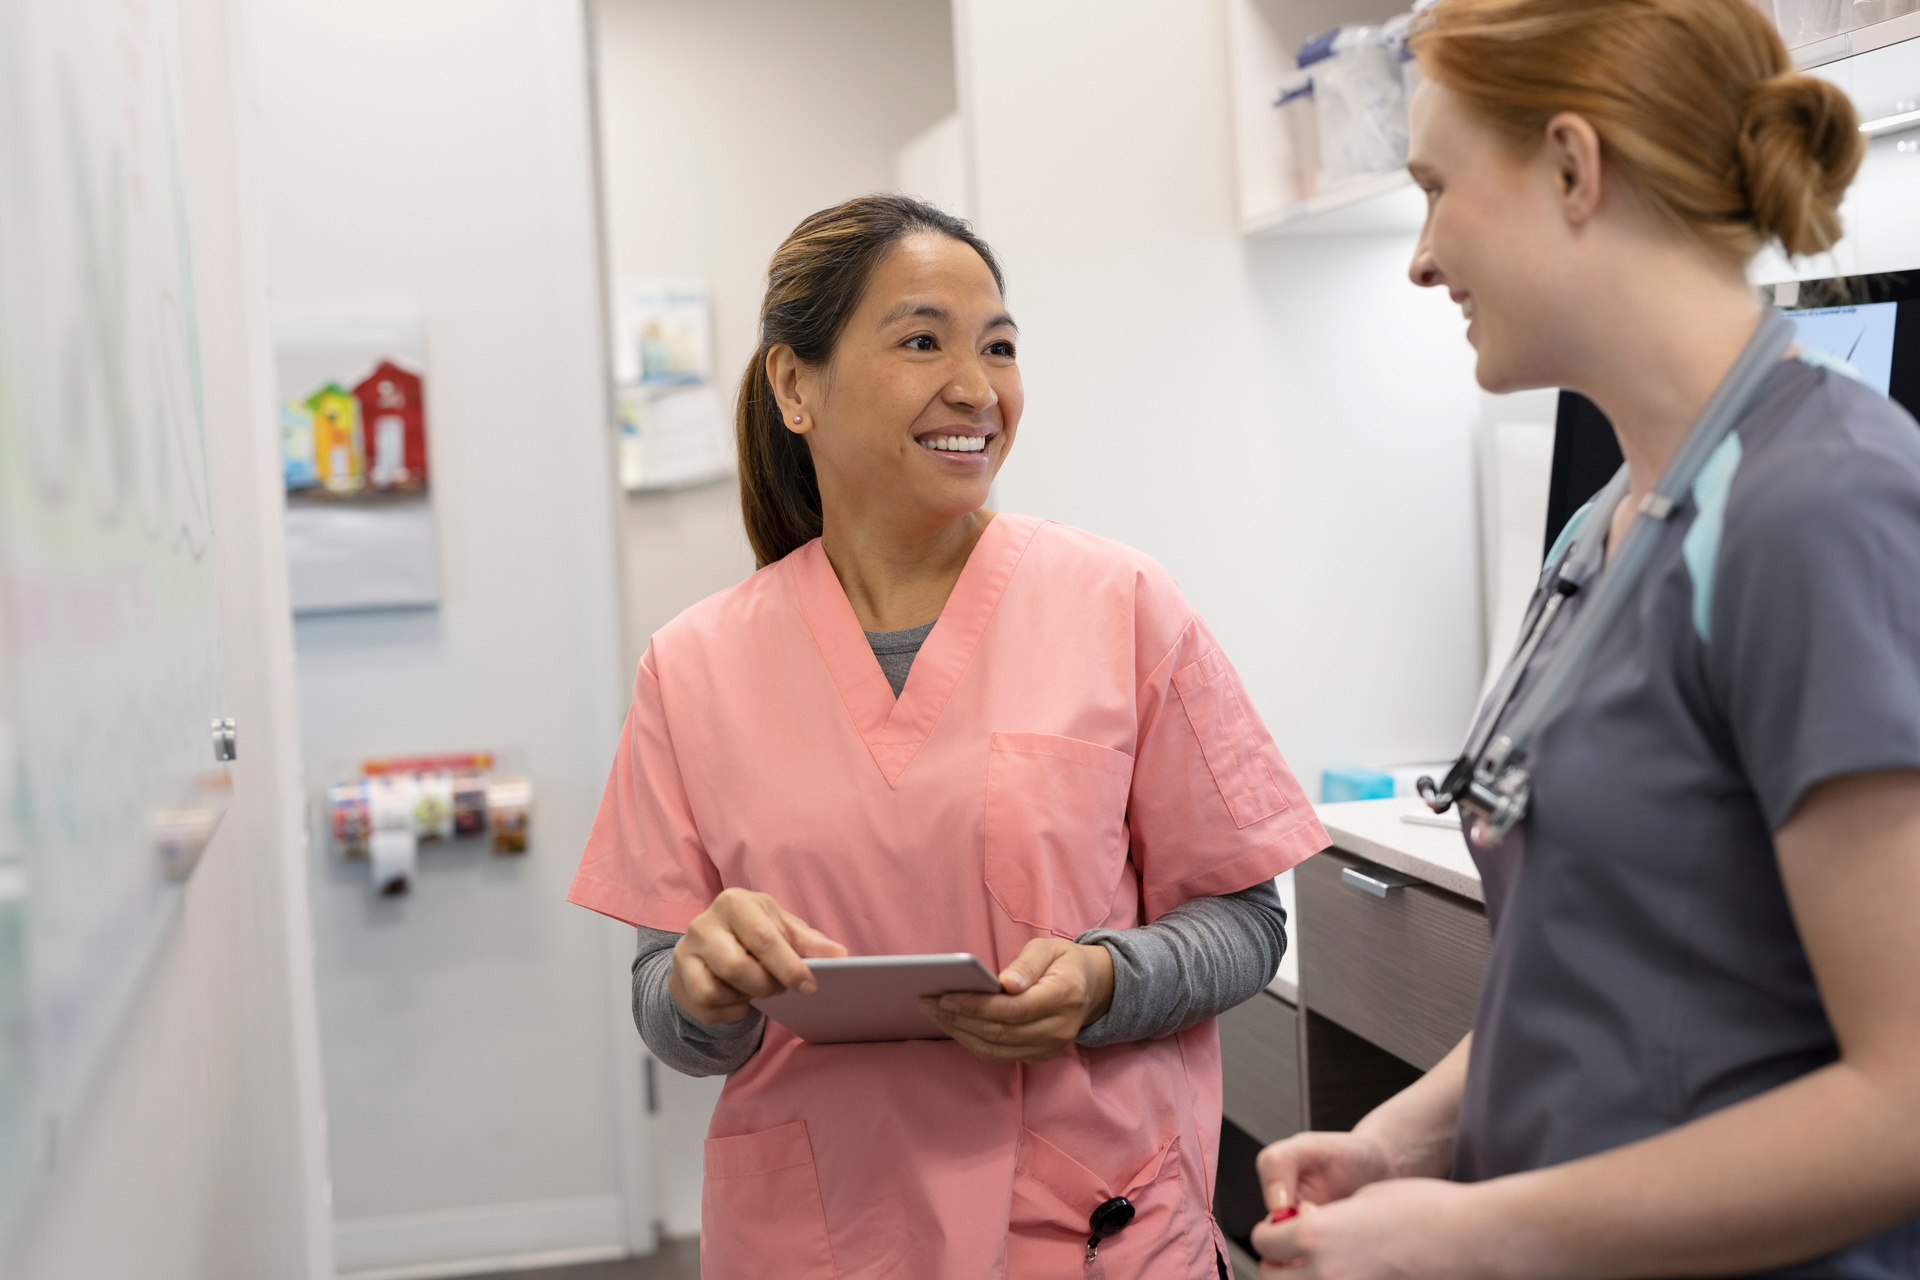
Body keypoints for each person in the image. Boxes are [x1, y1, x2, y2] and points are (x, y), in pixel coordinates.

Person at [1251, 0, 1920, 1275]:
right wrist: (1402, 1143)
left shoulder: (1822, 506)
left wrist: (1481, 1233)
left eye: (1440, 189)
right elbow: (1592, 962)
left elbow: (1907, 1100)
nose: (1423, 255)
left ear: (1572, 166)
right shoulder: (1610, 521)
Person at [568, 194, 1327, 1279]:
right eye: (923, 340)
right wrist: (702, 981)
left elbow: (1249, 922)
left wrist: (1108, 980)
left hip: (1088, 1231)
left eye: (1000, 346)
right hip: (827, 1236)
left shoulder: (1120, 605)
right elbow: (672, 1014)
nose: (976, 387)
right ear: (796, 385)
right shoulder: (692, 667)